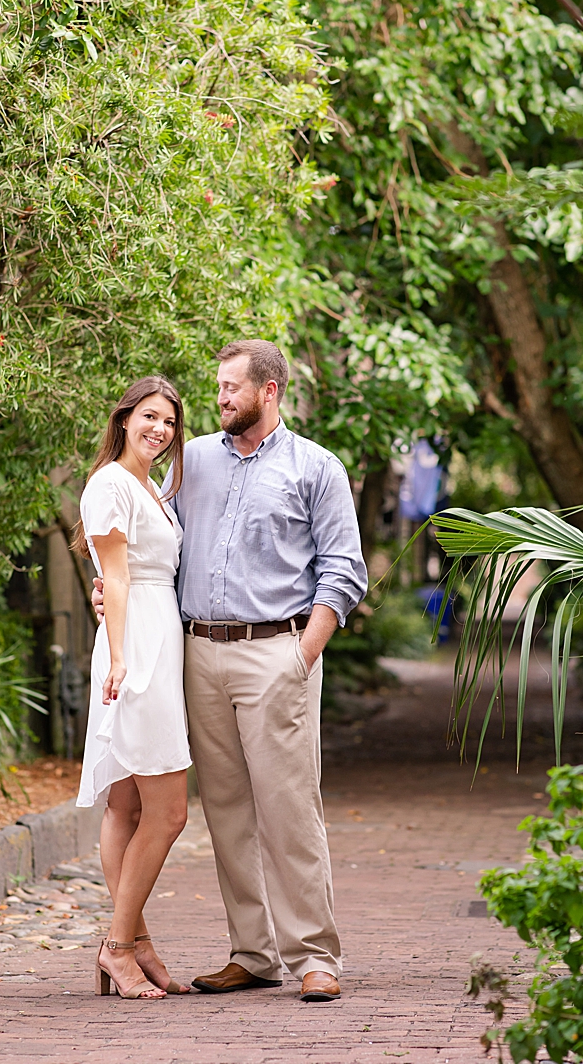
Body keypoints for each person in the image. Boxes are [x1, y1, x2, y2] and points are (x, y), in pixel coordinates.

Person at [93, 340, 367, 1003]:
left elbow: (344, 570)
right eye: (217, 387)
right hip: (197, 654)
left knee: (289, 810)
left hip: (276, 650)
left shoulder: (316, 468)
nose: (218, 399)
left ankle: (314, 957)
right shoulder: (193, 465)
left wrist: (302, 655)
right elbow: (137, 539)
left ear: (268, 392)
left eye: (230, 388)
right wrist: (107, 592)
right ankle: (254, 952)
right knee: (227, 812)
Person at [73, 377, 192, 1000]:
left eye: (170, 422)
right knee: (168, 810)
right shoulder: (111, 485)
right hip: (136, 649)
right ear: (123, 419)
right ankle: (119, 947)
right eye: (150, 416)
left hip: (154, 637)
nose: (160, 429)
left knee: (128, 806)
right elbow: (113, 578)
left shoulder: (153, 489)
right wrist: (120, 657)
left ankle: (134, 941)